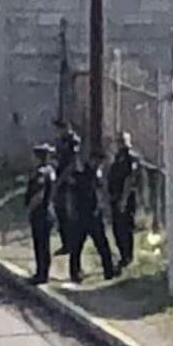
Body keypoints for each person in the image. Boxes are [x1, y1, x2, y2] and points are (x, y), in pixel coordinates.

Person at [67, 152, 118, 284]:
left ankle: (109, 270)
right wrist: (72, 211)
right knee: (76, 246)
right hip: (81, 215)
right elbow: (72, 194)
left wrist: (105, 209)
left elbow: (102, 194)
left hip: (95, 214)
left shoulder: (98, 176)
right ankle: (75, 273)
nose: (99, 165)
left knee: (102, 244)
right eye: (97, 161)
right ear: (91, 159)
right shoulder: (81, 174)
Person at [25, 143, 57, 285]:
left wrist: (30, 209)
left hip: (40, 212)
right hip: (49, 210)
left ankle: (41, 274)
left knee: (41, 244)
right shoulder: (51, 170)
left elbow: (39, 194)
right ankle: (43, 272)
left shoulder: (41, 173)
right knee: (45, 244)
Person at [108, 131, 141, 269]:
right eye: (118, 141)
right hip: (116, 197)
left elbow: (130, 178)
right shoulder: (118, 157)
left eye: (121, 141)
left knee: (125, 227)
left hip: (126, 198)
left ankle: (128, 256)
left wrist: (124, 199)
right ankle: (122, 255)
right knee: (117, 228)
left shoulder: (130, 158)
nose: (119, 144)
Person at [52, 119, 81, 256]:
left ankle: (72, 242)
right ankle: (65, 243)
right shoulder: (60, 141)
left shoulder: (73, 141)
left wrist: (60, 180)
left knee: (69, 213)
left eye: (60, 128)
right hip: (60, 180)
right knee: (60, 212)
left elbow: (72, 164)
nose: (58, 131)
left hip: (69, 181)